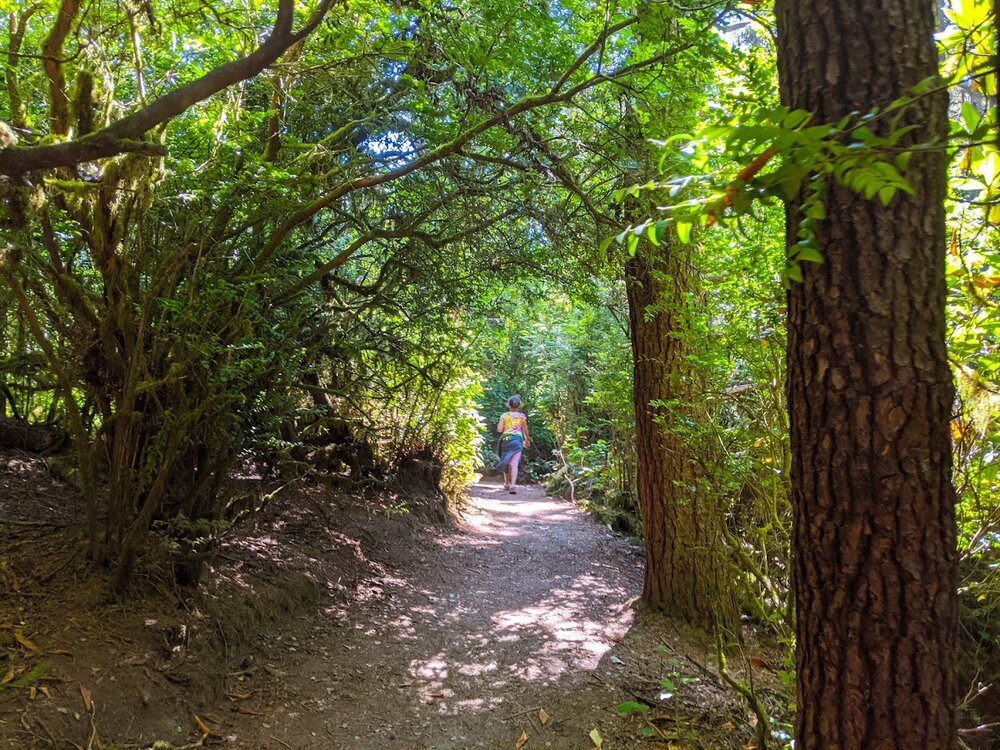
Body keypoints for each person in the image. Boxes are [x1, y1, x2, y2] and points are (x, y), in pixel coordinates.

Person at [495, 395, 530, 494]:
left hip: (506, 440)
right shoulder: (521, 416)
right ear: (519, 405)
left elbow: (499, 429)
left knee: (506, 460)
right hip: (517, 441)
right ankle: (513, 485)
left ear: (508, 405)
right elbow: (525, 430)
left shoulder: (504, 416)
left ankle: (506, 484)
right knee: (514, 464)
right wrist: (527, 440)